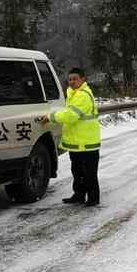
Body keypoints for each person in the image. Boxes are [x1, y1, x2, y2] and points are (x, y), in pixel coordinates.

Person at [41, 68, 101, 206]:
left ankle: (93, 198)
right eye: (70, 79)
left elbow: (71, 115)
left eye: (75, 79)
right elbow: (67, 112)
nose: (72, 81)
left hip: (87, 142)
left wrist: (50, 117)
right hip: (77, 142)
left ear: (83, 80)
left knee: (89, 172)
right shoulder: (72, 93)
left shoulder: (83, 95)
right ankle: (79, 195)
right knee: (77, 171)